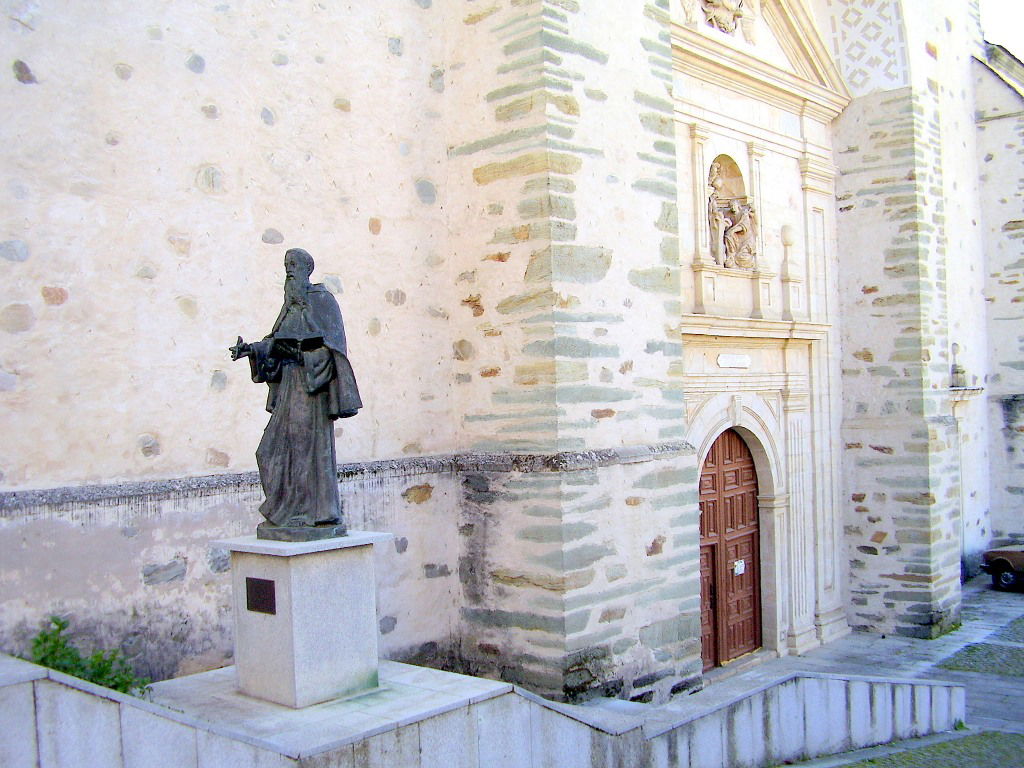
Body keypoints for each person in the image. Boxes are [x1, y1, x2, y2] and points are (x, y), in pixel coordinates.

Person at [230, 248, 361, 539]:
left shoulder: (322, 301)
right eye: (286, 264)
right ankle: (285, 511)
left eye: (294, 264)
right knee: (270, 450)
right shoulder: (289, 306)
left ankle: (308, 513)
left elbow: (334, 349)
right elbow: (274, 342)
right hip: (289, 387)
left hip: (310, 391)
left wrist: (303, 355)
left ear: (306, 269)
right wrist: (251, 350)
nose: (289, 269)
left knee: (303, 449)